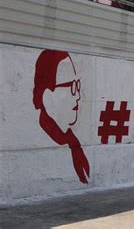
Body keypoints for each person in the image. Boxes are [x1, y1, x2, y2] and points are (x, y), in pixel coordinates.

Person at [33, 49, 90, 183]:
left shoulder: (71, 140)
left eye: (78, 86)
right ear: (47, 95)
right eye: (71, 87)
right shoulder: (43, 142)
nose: (78, 96)